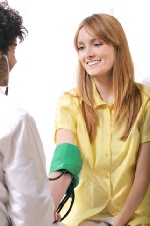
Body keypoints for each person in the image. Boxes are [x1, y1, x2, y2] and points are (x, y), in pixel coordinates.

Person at [49, 13, 150, 226]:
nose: (88, 54)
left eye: (96, 44)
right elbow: (66, 162)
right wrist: (50, 205)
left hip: (132, 215)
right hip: (84, 214)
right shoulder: (69, 102)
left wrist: (118, 223)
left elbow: (143, 177)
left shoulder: (145, 102)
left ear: (117, 46)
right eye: (81, 47)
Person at [0, 2, 66, 226]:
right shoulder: (14, 120)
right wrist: (49, 212)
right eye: (13, 50)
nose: (15, 60)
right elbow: (32, 217)